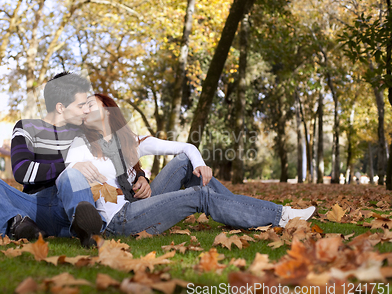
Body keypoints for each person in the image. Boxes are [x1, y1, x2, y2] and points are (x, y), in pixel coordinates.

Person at [61, 94, 316, 237]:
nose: (85, 111)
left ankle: (243, 214)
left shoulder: (131, 141)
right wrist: (74, 168)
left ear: (107, 110)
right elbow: (69, 175)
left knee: (187, 164)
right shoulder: (80, 144)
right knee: (198, 194)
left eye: (90, 105)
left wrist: (200, 165)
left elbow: (186, 148)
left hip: (140, 204)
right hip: (119, 220)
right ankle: (282, 215)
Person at [0, 73, 140, 247]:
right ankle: (19, 224)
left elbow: (117, 153)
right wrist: (69, 166)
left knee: (70, 176)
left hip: (69, 204)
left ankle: (88, 231)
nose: (86, 110)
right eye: (81, 106)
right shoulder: (26, 127)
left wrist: (140, 176)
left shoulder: (85, 132)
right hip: (33, 206)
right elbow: (22, 171)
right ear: (60, 107)